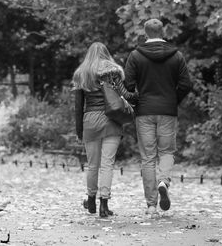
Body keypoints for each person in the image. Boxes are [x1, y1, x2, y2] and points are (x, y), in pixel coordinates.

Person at [124, 19, 192, 215]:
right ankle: (164, 180)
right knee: (167, 151)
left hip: (144, 111)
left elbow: (128, 85)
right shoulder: (176, 56)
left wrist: (138, 100)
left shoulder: (135, 56)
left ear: (146, 33)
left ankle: (152, 205)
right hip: (168, 111)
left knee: (147, 158)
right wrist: (172, 99)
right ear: (163, 32)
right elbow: (186, 84)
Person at [73, 42, 137, 217]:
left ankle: (91, 201)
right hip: (111, 121)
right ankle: (104, 205)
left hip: (90, 121)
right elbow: (125, 96)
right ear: (106, 54)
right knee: (107, 164)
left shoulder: (81, 74)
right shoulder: (113, 73)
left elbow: (78, 107)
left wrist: (79, 131)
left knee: (92, 165)